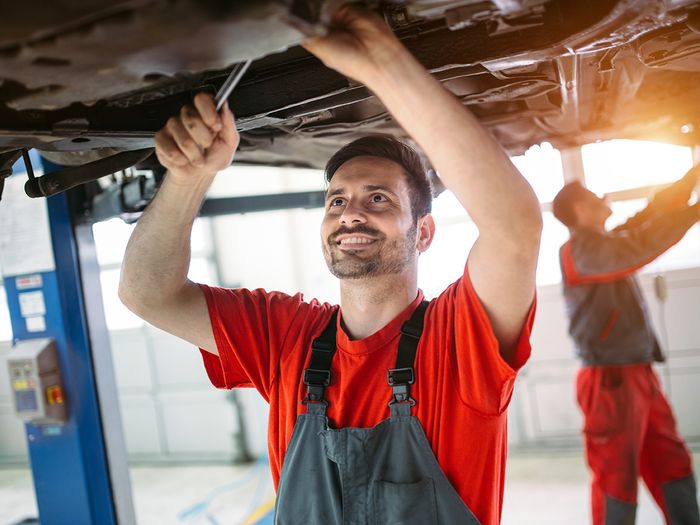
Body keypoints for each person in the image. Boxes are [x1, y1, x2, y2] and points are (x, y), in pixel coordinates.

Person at [119, 5, 542, 524]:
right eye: (336, 201)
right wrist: (186, 179)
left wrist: (382, 62)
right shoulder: (286, 337)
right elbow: (146, 293)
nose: (351, 214)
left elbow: (515, 229)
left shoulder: (459, 342)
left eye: (379, 199)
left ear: (424, 232)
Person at [552, 166, 700, 525]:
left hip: (636, 371)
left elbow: (647, 219)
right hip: (609, 381)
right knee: (615, 474)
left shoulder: (602, 244)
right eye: (593, 197)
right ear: (580, 210)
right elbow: (640, 244)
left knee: (670, 459)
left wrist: (690, 178)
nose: (603, 199)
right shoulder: (581, 252)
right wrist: (695, 211)